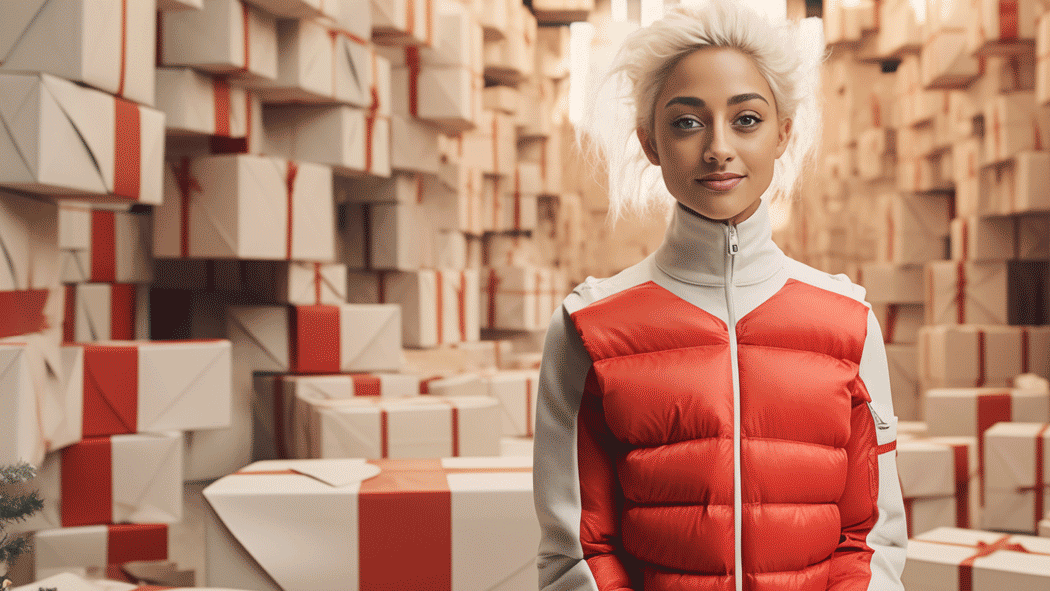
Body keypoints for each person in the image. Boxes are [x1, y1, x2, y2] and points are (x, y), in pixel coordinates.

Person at [532, 2, 908, 590]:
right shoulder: (590, 328)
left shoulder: (849, 323)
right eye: (687, 122)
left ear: (783, 133)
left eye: (746, 119)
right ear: (650, 142)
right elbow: (578, 550)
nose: (718, 148)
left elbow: (869, 536)